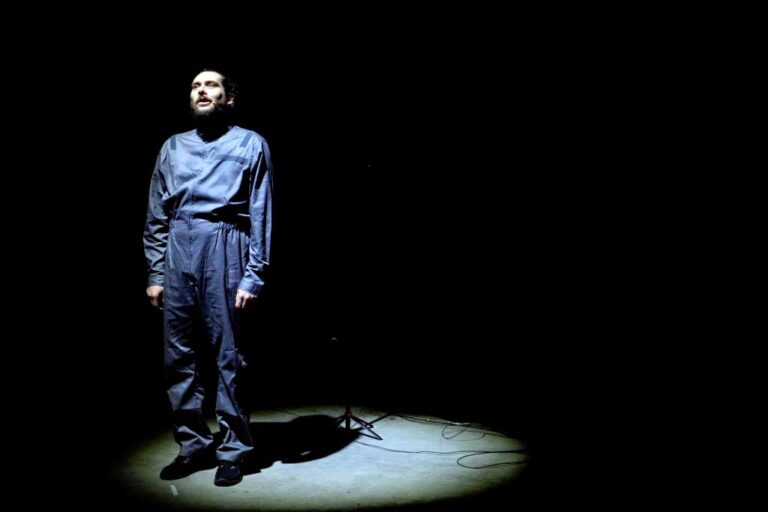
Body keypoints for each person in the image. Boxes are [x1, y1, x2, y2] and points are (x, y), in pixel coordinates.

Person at [143, 69, 273, 486]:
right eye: (196, 86)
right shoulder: (172, 146)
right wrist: (156, 271)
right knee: (178, 356)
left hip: (225, 244)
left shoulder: (250, 143)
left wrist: (253, 275)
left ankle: (234, 450)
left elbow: (261, 212)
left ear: (227, 98)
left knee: (228, 355)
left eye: (211, 85)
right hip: (179, 247)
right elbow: (156, 214)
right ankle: (193, 444)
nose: (202, 90)